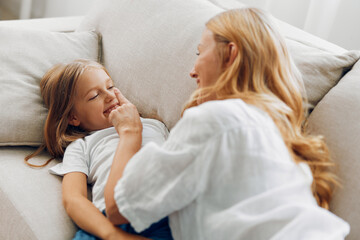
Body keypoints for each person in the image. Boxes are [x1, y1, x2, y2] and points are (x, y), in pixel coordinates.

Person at [103, 8, 350, 240]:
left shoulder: (215, 119)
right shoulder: (277, 133)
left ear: (230, 53)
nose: (192, 71)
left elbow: (117, 207)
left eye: (200, 53)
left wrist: (129, 131)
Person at [25, 59, 173, 240]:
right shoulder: (81, 146)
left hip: (161, 215)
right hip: (108, 222)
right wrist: (111, 234)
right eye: (94, 96)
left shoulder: (154, 125)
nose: (110, 96)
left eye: (110, 87)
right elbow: (74, 200)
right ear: (73, 117)